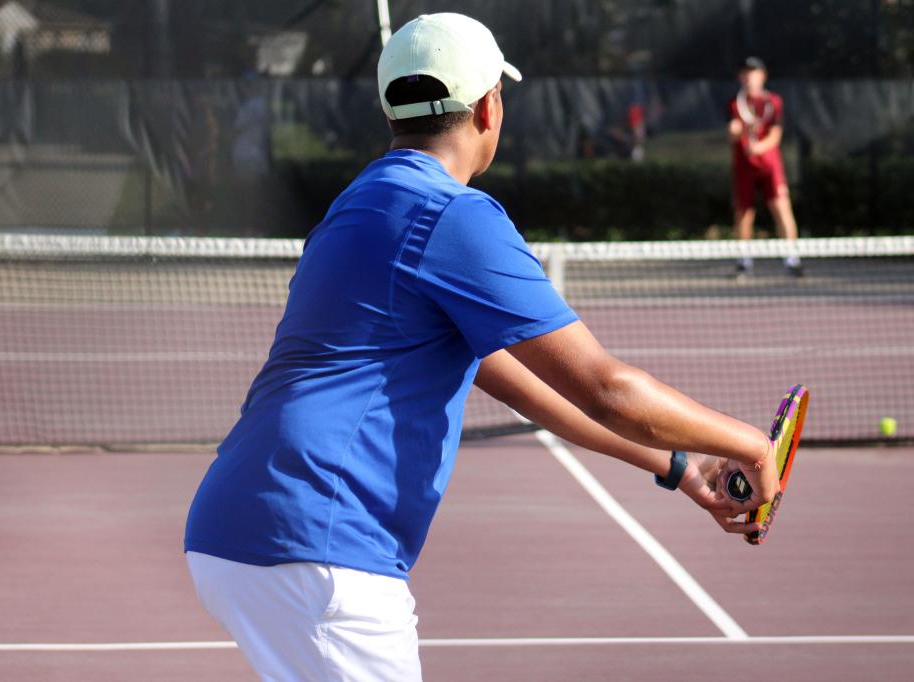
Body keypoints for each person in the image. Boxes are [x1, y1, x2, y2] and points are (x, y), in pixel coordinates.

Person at [185, 14, 779, 681]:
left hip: (240, 527)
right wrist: (750, 444)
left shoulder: (359, 205)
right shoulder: (457, 217)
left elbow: (528, 385)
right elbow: (606, 389)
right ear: (489, 107)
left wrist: (680, 466)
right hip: (323, 542)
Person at [728, 57, 802, 277]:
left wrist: (758, 147)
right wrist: (736, 131)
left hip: (770, 167)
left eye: (753, 72)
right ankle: (744, 261)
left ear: (763, 76)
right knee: (743, 213)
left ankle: (792, 258)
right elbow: (732, 131)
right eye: (745, 73)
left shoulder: (774, 102)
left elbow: (775, 135)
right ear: (740, 77)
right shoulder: (734, 104)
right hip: (744, 168)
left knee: (782, 208)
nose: (749, 77)